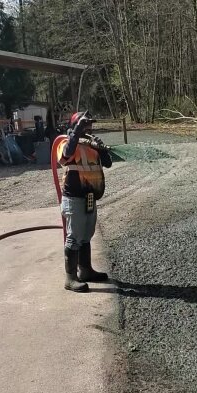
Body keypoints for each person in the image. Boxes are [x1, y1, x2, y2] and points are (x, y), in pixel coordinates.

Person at [56, 111, 112, 293]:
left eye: (89, 125)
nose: (89, 128)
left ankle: (86, 270)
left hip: (90, 197)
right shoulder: (67, 142)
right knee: (74, 237)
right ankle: (70, 278)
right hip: (74, 198)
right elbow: (64, 157)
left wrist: (102, 150)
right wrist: (76, 132)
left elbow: (108, 163)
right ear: (76, 126)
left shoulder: (92, 145)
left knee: (86, 235)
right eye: (84, 125)